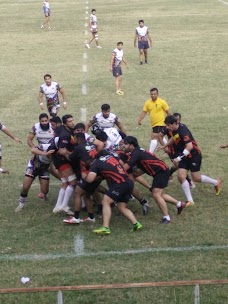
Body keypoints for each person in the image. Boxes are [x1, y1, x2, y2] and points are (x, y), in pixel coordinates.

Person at [123, 136, 186, 224]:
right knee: (159, 194)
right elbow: (142, 167)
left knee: (156, 194)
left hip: (161, 172)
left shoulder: (135, 154)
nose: (123, 146)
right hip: (161, 170)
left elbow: (124, 168)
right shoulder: (137, 151)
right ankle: (179, 204)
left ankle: (166, 218)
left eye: (125, 144)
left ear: (131, 146)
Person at [162, 115, 221, 205]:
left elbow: (189, 147)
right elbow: (174, 138)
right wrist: (165, 146)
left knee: (196, 178)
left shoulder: (183, 131)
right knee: (181, 176)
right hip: (184, 156)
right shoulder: (174, 129)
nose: (167, 127)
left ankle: (216, 183)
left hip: (193, 155)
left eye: (168, 125)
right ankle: (190, 201)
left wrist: (178, 158)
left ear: (174, 123)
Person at [85, 150, 142, 234]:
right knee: (121, 207)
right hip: (129, 182)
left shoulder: (96, 163)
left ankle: (105, 227)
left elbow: (90, 179)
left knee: (105, 202)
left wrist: (86, 176)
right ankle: (136, 224)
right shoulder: (113, 157)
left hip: (119, 184)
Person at [15, 144, 55, 212]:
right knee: (25, 187)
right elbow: (33, 150)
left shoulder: (59, 151)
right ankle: (21, 205)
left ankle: (45, 196)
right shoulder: (44, 146)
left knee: (45, 190)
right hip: (33, 167)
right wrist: (45, 153)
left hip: (44, 169)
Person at [138, 87, 170, 153]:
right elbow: (144, 112)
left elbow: (167, 112)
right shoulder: (147, 103)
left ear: (157, 94)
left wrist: (172, 121)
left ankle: (150, 153)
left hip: (160, 123)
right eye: (151, 94)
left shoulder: (162, 102)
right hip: (154, 124)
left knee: (154, 136)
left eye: (154, 94)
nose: (153, 95)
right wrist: (140, 119)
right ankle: (169, 148)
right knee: (160, 137)